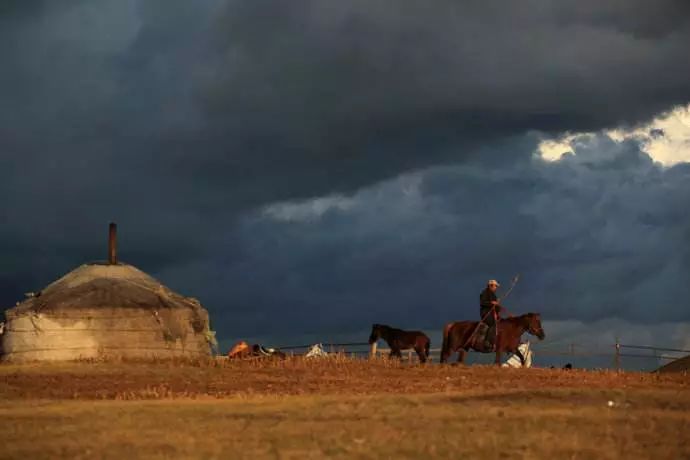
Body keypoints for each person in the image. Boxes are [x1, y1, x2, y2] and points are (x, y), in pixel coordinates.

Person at [479, 279, 502, 351]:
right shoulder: (484, 293)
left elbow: (496, 307)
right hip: (485, 313)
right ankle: (487, 342)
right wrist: (491, 303)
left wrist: (498, 305)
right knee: (493, 324)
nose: (496, 288)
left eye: (496, 287)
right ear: (490, 286)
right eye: (495, 286)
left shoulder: (494, 295)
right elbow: (482, 303)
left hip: (492, 314)